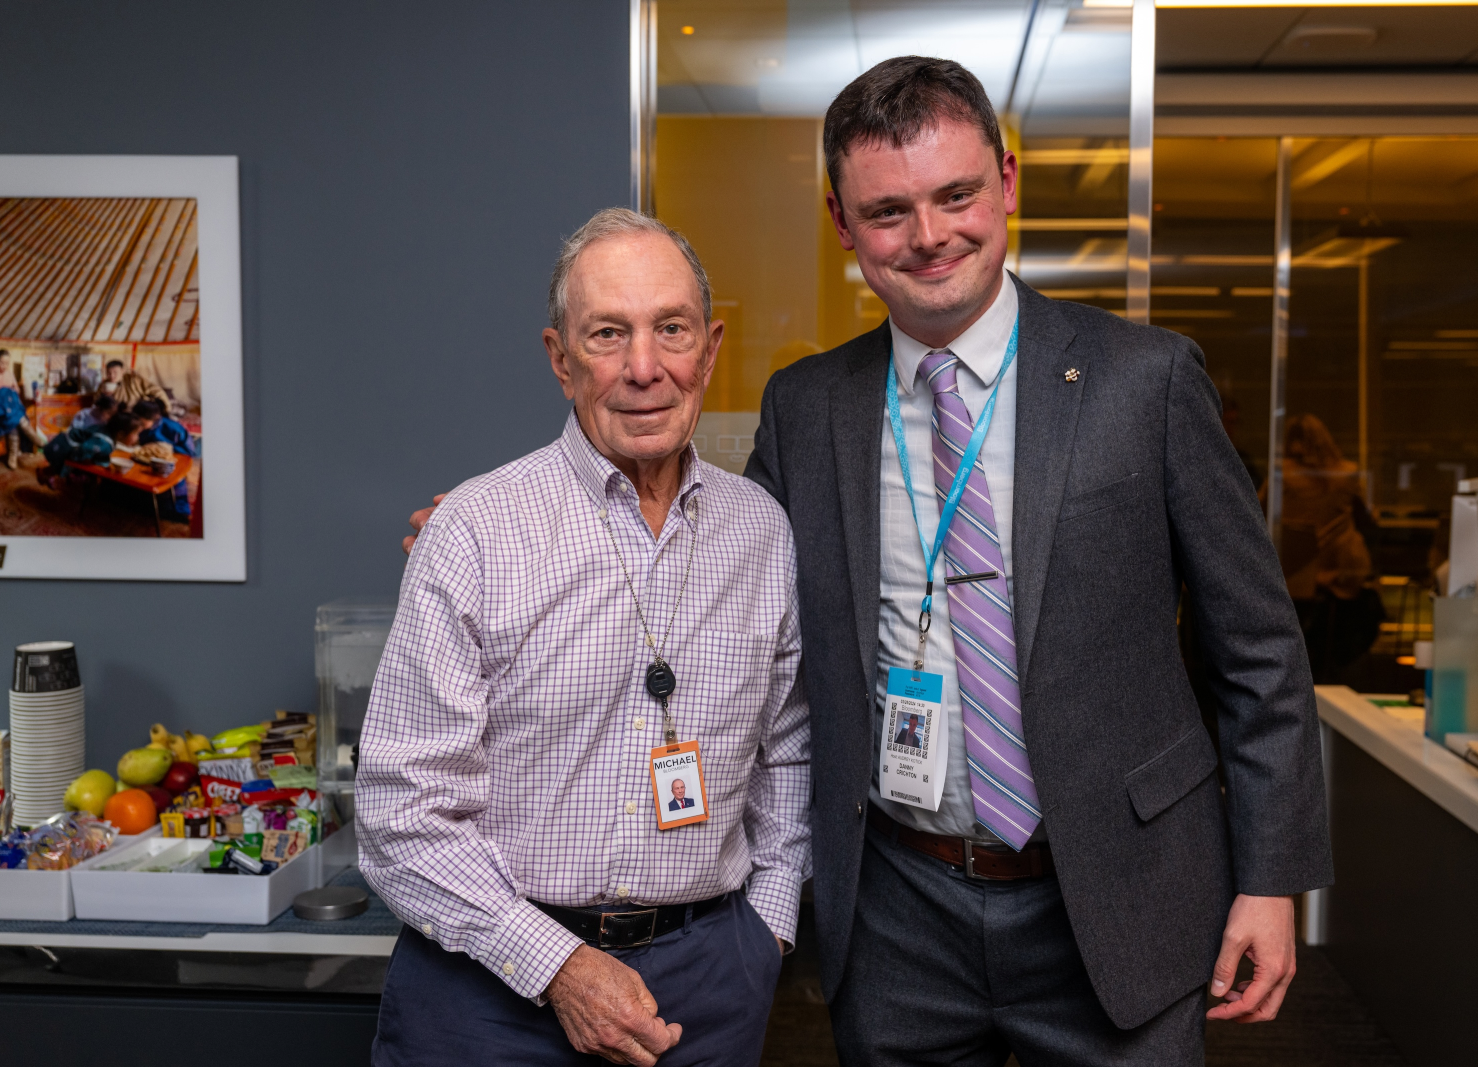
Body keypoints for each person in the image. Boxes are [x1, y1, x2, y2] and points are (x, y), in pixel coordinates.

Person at [404, 57, 1330, 1067]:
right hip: (900, 905)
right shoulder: (812, 406)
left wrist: (1270, 876)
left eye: (956, 195)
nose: (929, 236)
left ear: (1007, 181)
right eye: (888, 210)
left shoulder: (1142, 381)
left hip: (1116, 888)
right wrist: (504, 517)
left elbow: (1258, 651)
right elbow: (706, 543)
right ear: (843, 226)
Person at [361, 207, 809, 1067]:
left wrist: (767, 927)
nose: (645, 368)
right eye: (609, 334)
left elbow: (788, 752)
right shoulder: (477, 532)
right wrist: (558, 965)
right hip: (487, 989)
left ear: (709, 349)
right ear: (561, 360)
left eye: (670, 329)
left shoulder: (762, 532)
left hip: (707, 985)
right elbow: (400, 809)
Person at [1265, 413, 1382, 681]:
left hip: (1293, 575)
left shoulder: (1281, 475)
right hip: (1341, 577)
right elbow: (1365, 519)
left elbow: (1256, 512)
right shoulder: (1347, 473)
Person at [36, 409, 147, 490]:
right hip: (64, 448)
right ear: (121, 434)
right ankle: (43, 473)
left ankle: (49, 473)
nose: (138, 438)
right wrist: (84, 462)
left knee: (64, 466)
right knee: (60, 466)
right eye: (136, 434)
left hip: (68, 443)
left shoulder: (106, 432)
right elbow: (83, 450)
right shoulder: (104, 442)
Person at [131, 398, 195, 520]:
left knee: (170, 488)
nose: (138, 425)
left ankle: (176, 513)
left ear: (154, 419)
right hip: (145, 461)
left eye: (141, 422)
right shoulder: (142, 427)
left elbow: (189, 452)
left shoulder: (173, 429)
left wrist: (164, 449)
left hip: (169, 463)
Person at [0, 350, 48, 470]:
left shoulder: (9, 373)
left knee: (15, 420)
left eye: (7, 363)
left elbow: (16, 389)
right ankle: (37, 441)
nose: (5, 366)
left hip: (11, 406)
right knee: (17, 419)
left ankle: (12, 457)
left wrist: (13, 391)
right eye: (2, 362)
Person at [101, 359, 168, 411]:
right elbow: (97, 401)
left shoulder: (133, 380)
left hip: (135, 414)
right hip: (114, 415)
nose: (112, 376)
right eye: (108, 373)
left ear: (122, 371)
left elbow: (156, 390)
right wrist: (105, 397)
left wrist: (164, 409)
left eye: (115, 372)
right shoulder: (104, 384)